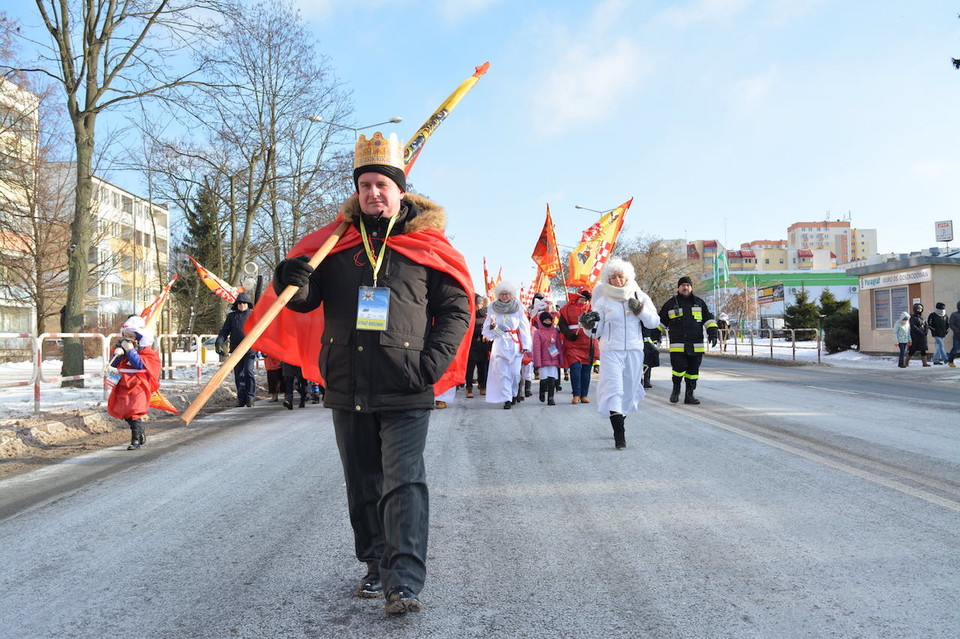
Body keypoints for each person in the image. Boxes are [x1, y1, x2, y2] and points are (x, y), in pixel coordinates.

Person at [268, 131, 472, 615]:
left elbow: (458, 307)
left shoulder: (425, 246)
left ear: (401, 190)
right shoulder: (334, 247)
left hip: (406, 384)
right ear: (357, 193)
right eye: (366, 186)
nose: (374, 193)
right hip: (347, 382)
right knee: (362, 483)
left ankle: (404, 581)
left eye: (382, 184)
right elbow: (304, 299)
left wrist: (429, 365)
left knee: (403, 483)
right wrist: (289, 277)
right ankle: (376, 564)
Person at [580, 258, 660, 449]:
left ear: (628, 277)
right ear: (608, 279)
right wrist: (587, 324)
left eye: (620, 276)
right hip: (611, 351)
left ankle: (620, 419)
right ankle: (619, 434)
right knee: (614, 389)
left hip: (634, 350)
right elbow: (595, 332)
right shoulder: (603, 300)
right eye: (613, 277)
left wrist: (640, 311)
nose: (617, 280)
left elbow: (653, 322)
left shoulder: (640, 296)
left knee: (629, 390)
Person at [658, 276, 719, 405]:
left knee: (693, 372)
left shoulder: (699, 303)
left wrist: (713, 334)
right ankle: (676, 390)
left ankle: (689, 395)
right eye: (683, 285)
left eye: (688, 285)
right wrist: (655, 336)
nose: (685, 287)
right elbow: (660, 322)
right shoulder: (670, 304)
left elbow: (708, 320)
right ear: (678, 288)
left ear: (691, 287)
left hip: (695, 345)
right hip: (678, 345)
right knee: (678, 369)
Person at [107, 315, 160, 451]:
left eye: (130, 335)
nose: (126, 338)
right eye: (125, 335)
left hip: (139, 384)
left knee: (134, 409)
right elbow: (113, 363)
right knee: (123, 409)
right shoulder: (121, 347)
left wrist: (130, 351)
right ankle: (139, 430)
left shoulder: (147, 352)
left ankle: (135, 439)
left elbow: (140, 365)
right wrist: (118, 353)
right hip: (124, 382)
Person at [483, 281, 532, 409]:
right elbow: (487, 325)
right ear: (498, 295)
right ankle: (507, 398)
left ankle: (514, 393)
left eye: (507, 294)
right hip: (500, 342)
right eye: (502, 294)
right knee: (503, 373)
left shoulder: (518, 307)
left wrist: (526, 345)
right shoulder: (493, 306)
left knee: (515, 374)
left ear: (511, 295)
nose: (505, 296)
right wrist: (494, 333)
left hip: (515, 343)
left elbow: (524, 327)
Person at [216, 292, 257, 407]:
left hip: (250, 349)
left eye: (244, 303)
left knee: (248, 372)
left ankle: (250, 397)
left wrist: (264, 349)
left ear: (248, 304)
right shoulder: (232, 317)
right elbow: (224, 332)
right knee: (239, 375)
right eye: (240, 303)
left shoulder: (253, 315)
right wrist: (219, 343)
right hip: (236, 349)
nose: (242, 305)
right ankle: (241, 398)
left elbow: (261, 332)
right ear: (237, 305)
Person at [558, 289, 598, 404]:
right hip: (573, 343)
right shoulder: (567, 308)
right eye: (582, 299)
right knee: (575, 368)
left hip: (588, 342)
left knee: (586, 369)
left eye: (586, 300)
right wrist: (569, 334)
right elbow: (562, 323)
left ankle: (584, 394)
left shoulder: (591, 309)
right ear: (577, 298)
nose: (584, 302)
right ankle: (576, 394)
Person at [531, 311, 563, 406]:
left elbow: (558, 346)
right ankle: (542, 392)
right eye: (545, 320)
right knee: (544, 379)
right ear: (541, 321)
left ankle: (551, 398)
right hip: (543, 360)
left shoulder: (555, 331)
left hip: (553, 358)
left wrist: (561, 359)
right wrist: (538, 362)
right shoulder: (538, 333)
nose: (548, 321)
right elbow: (536, 349)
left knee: (552, 379)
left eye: (549, 320)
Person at [465, 293, 491, 399]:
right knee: (470, 368)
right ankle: (469, 387)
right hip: (472, 344)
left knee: (482, 367)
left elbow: (492, 329)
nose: (480, 306)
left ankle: (482, 385)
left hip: (483, 344)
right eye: (478, 303)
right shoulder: (469, 316)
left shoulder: (486, 316)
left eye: (481, 303)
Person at [907, 302, 929, 367]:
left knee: (923, 350)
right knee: (912, 350)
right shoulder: (913, 317)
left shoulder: (923, 317)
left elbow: (926, 325)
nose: (919, 310)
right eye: (918, 308)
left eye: (921, 308)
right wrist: (920, 332)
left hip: (923, 336)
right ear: (915, 309)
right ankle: (906, 361)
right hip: (915, 336)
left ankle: (924, 363)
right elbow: (913, 326)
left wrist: (926, 331)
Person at [948, 301, 960, 367]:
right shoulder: (954, 314)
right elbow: (951, 324)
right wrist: (957, 331)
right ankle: (950, 361)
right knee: (955, 348)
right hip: (957, 335)